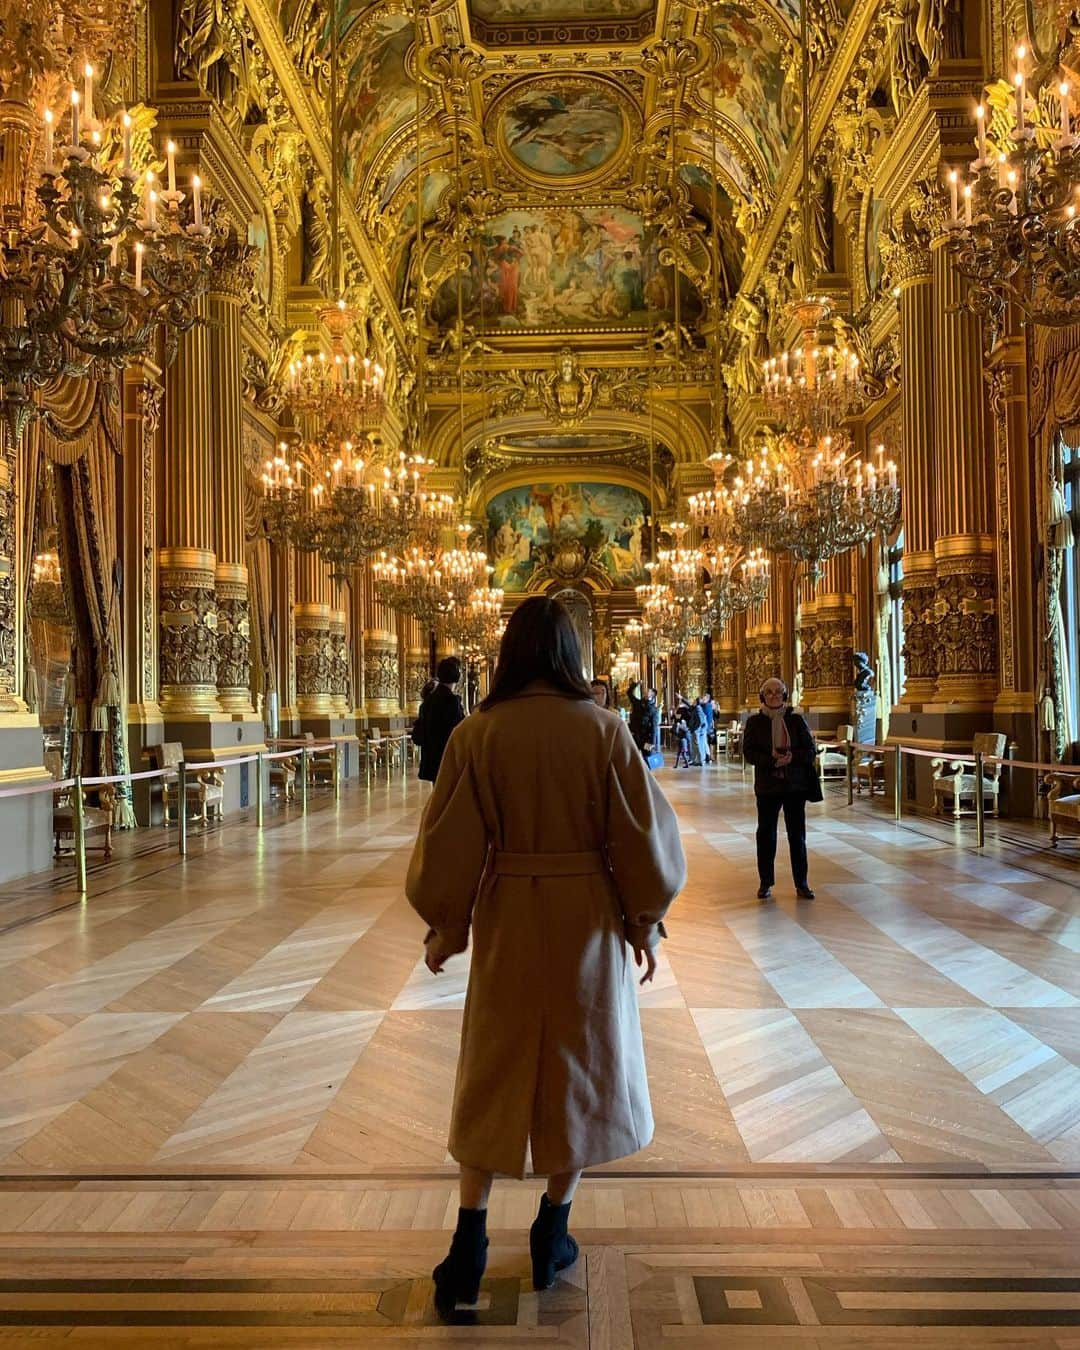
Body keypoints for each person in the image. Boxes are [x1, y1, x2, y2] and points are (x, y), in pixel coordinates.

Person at [406, 596, 686, 1316]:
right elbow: (641, 839)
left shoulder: (476, 735)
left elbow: (449, 845)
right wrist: (644, 923)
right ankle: (552, 1232)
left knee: (493, 1070)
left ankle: (467, 1242)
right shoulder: (604, 732)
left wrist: (448, 925)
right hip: (585, 915)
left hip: (509, 916)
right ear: (570, 654)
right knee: (581, 1071)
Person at [742, 677, 823, 902]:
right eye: (769, 692)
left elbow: (810, 750)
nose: (774, 695)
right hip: (768, 786)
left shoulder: (796, 720)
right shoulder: (754, 723)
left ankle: (802, 883)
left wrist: (791, 757)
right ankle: (765, 882)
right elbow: (748, 753)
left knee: (797, 836)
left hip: (794, 785)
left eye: (778, 692)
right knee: (766, 835)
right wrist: (772, 760)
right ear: (763, 696)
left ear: (785, 695)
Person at [412, 656, 466, 783]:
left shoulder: (429, 700)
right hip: (447, 756)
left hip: (431, 757)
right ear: (456, 677)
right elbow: (458, 729)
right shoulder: (451, 701)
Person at [698, 692, 715, 763]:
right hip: (706, 726)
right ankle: (707, 756)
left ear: (707, 699)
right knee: (705, 742)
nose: (703, 699)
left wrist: (706, 727)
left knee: (706, 742)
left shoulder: (707, 706)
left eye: (704, 698)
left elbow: (708, 718)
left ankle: (708, 756)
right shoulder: (706, 705)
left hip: (707, 726)